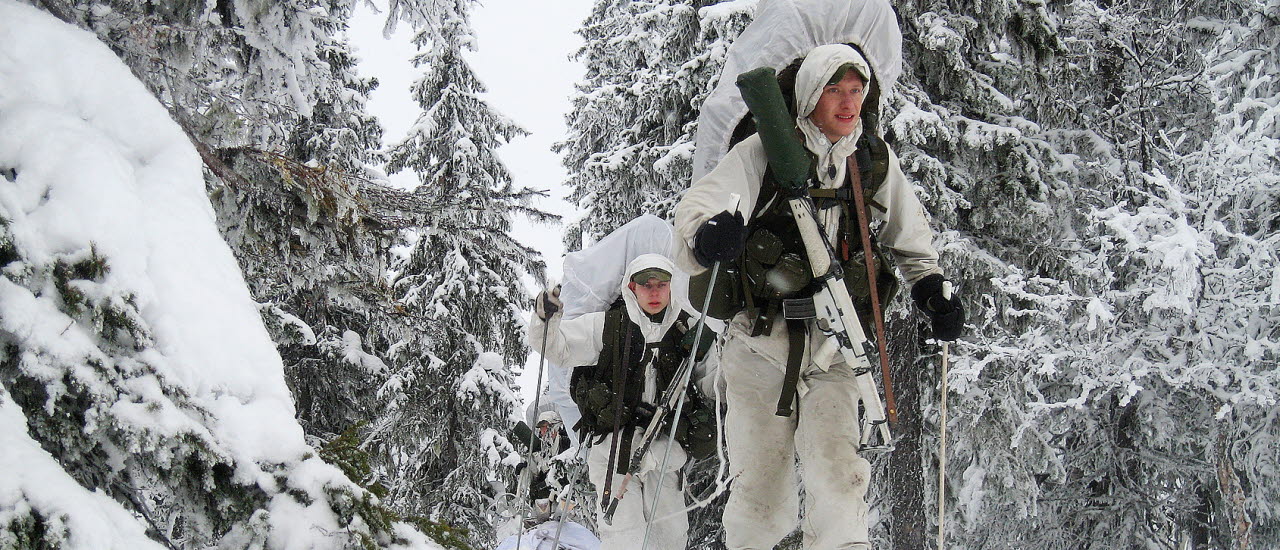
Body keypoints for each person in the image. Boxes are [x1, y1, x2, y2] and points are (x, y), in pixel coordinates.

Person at [673, 44, 965, 549]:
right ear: (810, 94)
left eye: (857, 91)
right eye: (835, 90)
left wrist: (931, 288)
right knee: (760, 491)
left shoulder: (871, 161)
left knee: (841, 479)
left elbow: (909, 236)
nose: (848, 103)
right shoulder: (763, 151)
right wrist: (707, 233)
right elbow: (700, 206)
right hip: (763, 338)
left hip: (837, 342)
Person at [527, 254, 716, 550]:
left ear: (672, 286)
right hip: (613, 452)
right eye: (646, 285)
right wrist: (545, 320)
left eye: (661, 284)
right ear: (632, 287)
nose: (654, 293)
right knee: (624, 539)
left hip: (667, 450)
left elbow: (713, 384)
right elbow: (558, 349)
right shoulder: (606, 326)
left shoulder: (689, 330)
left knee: (670, 538)